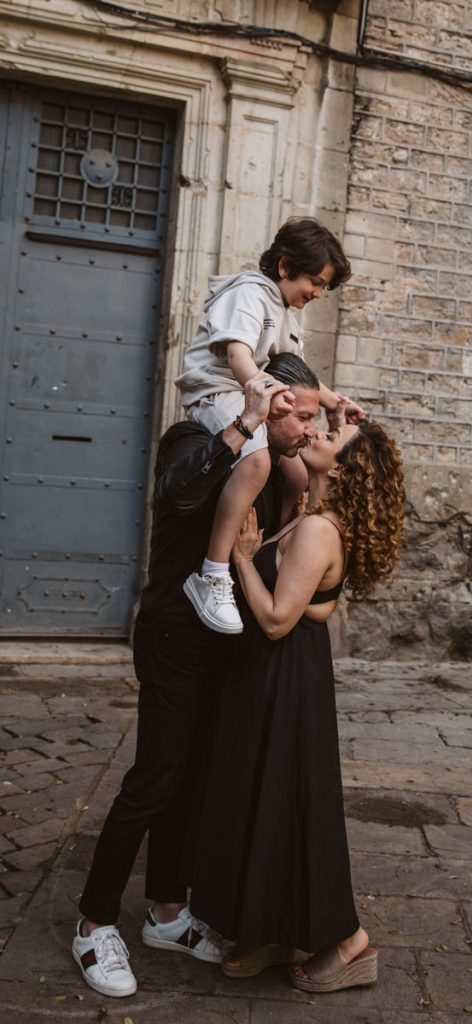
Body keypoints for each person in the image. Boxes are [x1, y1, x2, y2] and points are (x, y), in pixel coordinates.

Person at [73, 354, 323, 998]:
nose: (306, 428)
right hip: (174, 637)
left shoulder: (281, 464)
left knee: (191, 782)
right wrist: (243, 422)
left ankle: (164, 911)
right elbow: (178, 494)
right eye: (300, 415)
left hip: (229, 646)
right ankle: (93, 923)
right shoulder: (192, 438)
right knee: (155, 778)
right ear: (267, 400)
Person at [189, 418, 406, 993]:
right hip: (275, 677)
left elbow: (278, 619)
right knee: (271, 801)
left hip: (286, 679)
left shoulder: (318, 530)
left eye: (331, 436)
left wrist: (239, 558)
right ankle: (275, 933)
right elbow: (314, 607)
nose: (317, 433)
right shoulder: (310, 514)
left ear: (343, 468)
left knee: (295, 807)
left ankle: (350, 943)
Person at [175, 217, 363, 636]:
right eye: (314, 281)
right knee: (257, 460)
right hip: (218, 390)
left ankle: (269, 549)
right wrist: (259, 390)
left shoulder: (284, 312)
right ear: (284, 266)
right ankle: (212, 572)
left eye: (322, 287)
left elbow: (301, 373)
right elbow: (239, 353)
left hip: (249, 391)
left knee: (295, 471)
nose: (315, 293)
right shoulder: (248, 293)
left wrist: (335, 402)